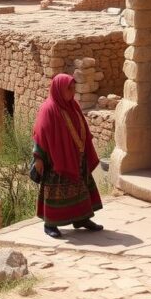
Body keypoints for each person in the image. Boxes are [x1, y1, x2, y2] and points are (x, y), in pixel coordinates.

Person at [32, 73, 103, 238]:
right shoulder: (48, 109)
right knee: (56, 191)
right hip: (56, 160)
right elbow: (39, 135)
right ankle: (50, 223)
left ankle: (82, 219)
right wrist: (38, 158)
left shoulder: (73, 106)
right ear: (59, 89)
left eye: (73, 88)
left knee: (80, 188)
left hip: (77, 157)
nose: (72, 91)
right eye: (69, 88)